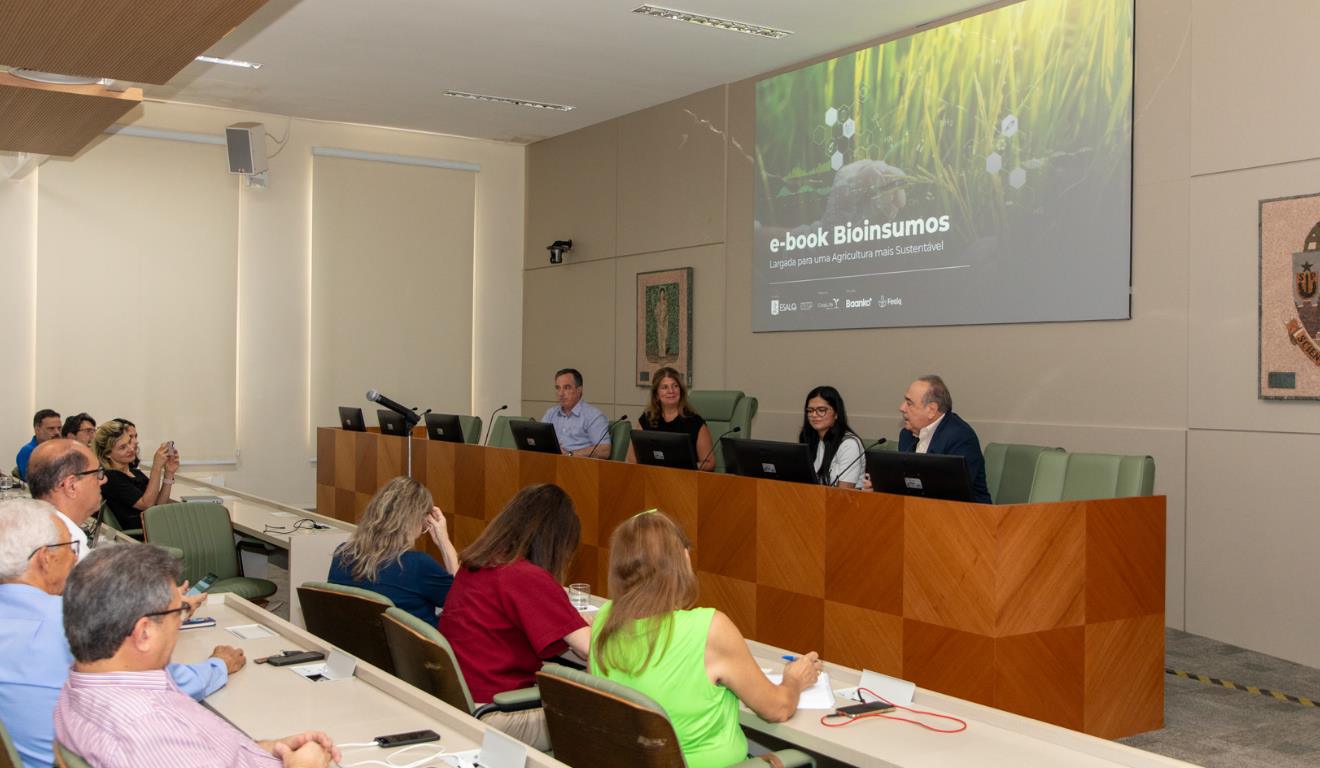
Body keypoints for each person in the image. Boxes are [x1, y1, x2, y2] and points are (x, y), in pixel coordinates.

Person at [0, 500, 242, 768]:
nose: (74, 556)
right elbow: (169, 683)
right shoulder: (72, 621)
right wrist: (220, 664)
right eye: (70, 546)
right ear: (45, 558)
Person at [54, 544, 338, 768]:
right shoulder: (150, 731)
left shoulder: (83, 682)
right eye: (177, 612)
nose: (180, 622)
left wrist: (271, 750)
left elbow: (210, 752)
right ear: (143, 634)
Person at [590, 510, 822, 768]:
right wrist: (794, 680)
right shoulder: (710, 629)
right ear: (683, 559)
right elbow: (777, 709)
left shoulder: (604, 620)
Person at [437, 483, 589, 750]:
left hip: (458, 703)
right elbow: (594, 648)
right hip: (496, 715)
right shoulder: (525, 576)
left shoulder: (478, 564)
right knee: (608, 721)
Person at [327, 476, 458, 623]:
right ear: (416, 519)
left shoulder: (343, 554)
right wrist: (444, 542)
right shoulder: (418, 565)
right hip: (410, 646)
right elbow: (463, 604)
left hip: (355, 644)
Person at [894, 375, 991, 503]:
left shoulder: (960, 437)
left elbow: (953, 491)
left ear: (931, 410)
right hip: (920, 512)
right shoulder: (907, 435)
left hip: (967, 516)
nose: (902, 408)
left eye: (909, 403)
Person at [27, 439, 107, 561]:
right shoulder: (69, 553)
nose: (103, 480)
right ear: (71, 486)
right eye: (97, 473)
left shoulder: (29, 526)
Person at [93, 419, 178, 531]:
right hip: (142, 536)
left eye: (129, 443)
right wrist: (156, 467)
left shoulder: (135, 473)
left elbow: (159, 504)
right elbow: (147, 504)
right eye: (123, 447)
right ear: (108, 453)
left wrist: (168, 473)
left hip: (155, 528)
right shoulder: (111, 477)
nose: (131, 449)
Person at [627, 366, 714, 470]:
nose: (671, 391)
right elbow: (632, 460)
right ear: (656, 395)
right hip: (651, 478)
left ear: (681, 391)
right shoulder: (647, 419)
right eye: (664, 387)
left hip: (685, 480)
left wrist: (689, 467)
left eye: (675, 386)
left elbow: (710, 463)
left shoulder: (695, 422)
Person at [799, 385, 865, 488]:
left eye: (821, 410)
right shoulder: (810, 439)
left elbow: (843, 492)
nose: (814, 415)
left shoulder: (848, 444)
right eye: (810, 410)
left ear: (836, 413)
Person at [542, 368, 611, 457]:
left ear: (579, 390)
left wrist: (570, 454)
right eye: (558, 388)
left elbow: (604, 450)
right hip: (552, 463)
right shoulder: (550, 413)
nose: (561, 393)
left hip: (579, 466)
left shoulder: (593, 416)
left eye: (567, 387)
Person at [15, 408, 61, 481]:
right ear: (37, 429)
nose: (57, 432)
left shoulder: (63, 450)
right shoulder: (28, 452)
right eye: (51, 429)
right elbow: (37, 483)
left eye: (59, 428)